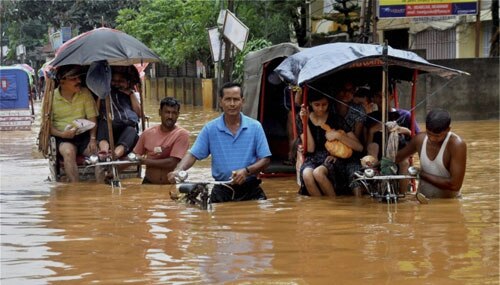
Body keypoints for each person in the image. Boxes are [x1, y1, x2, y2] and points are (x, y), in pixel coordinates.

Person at [167, 82, 271, 203]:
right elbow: (193, 154)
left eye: (236, 99)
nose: (232, 104)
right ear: (221, 102)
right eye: (228, 99)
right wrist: (178, 170)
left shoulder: (255, 127)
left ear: (242, 101)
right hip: (222, 191)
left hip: (251, 190)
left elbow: (265, 160)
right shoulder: (210, 129)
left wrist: (246, 171)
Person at [297, 90, 363, 197]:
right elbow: (310, 148)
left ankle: (333, 206)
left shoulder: (336, 119)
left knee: (318, 173)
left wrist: (338, 136)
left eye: (324, 105)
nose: (321, 108)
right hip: (313, 158)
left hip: (333, 158)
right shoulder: (302, 119)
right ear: (310, 104)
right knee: (307, 174)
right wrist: (305, 122)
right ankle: (322, 210)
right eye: (317, 105)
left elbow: (359, 147)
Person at [396, 109, 467, 198]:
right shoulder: (420, 139)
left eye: (437, 136)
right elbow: (397, 158)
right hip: (422, 201)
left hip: (447, 203)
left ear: (448, 129)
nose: (432, 139)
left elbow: (455, 185)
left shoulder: (457, 145)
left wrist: (421, 174)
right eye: (429, 134)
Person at [365, 89, 421, 193]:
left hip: (399, 154)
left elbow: (418, 139)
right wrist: (372, 131)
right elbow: (366, 145)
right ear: (374, 99)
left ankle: (403, 194)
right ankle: (377, 189)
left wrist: (404, 130)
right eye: (378, 96)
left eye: (384, 96)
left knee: (404, 162)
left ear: (391, 97)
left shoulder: (405, 115)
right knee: (373, 147)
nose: (381, 99)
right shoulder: (370, 118)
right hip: (377, 155)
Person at [50, 65, 98, 182]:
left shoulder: (85, 93)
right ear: (62, 82)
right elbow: (47, 127)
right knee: (68, 152)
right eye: (73, 79)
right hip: (63, 137)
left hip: (84, 135)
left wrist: (92, 139)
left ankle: (101, 185)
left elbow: (92, 119)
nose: (79, 81)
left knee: (98, 154)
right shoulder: (50, 98)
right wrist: (62, 134)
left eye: (79, 78)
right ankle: (75, 188)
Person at [132, 97, 189, 185]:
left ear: (178, 115)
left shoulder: (182, 134)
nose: (170, 116)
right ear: (160, 113)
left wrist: (145, 161)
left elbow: (172, 162)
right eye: (167, 112)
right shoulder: (147, 133)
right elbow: (135, 156)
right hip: (148, 183)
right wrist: (115, 170)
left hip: (170, 185)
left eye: (174, 113)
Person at [96, 70, 141, 160]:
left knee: (131, 130)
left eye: (121, 81)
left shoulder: (132, 94)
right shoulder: (105, 93)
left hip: (126, 129)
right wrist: (100, 96)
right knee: (104, 123)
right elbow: (96, 112)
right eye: (114, 81)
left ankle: (115, 155)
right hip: (109, 128)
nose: (117, 84)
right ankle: (104, 153)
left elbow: (139, 113)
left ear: (127, 82)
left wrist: (130, 94)